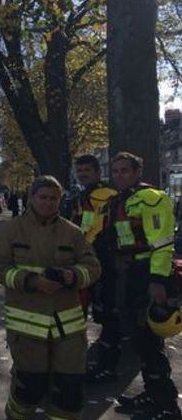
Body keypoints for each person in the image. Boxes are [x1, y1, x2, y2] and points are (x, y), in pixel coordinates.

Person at [0, 176, 100, 420]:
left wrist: (72, 276)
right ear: (32, 196)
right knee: (31, 385)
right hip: (27, 325)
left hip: (68, 324)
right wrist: (30, 281)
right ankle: (16, 419)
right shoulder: (12, 230)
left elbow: (93, 266)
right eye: (43, 197)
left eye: (54, 198)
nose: (49, 203)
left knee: (69, 387)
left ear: (60, 200)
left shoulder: (73, 233)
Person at [106, 152, 182, 420]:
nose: (119, 175)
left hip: (144, 273)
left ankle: (166, 405)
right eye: (115, 171)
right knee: (138, 338)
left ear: (138, 172)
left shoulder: (152, 199)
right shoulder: (121, 200)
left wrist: (157, 280)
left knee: (148, 339)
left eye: (125, 170)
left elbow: (162, 243)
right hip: (126, 272)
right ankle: (153, 394)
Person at [66, 154, 119, 383]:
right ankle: (84, 362)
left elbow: (97, 230)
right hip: (88, 260)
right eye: (80, 171)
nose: (83, 174)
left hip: (101, 262)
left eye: (87, 170)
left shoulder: (105, 195)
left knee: (108, 316)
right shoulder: (85, 195)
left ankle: (107, 368)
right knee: (87, 312)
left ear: (98, 172)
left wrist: (83, 251)